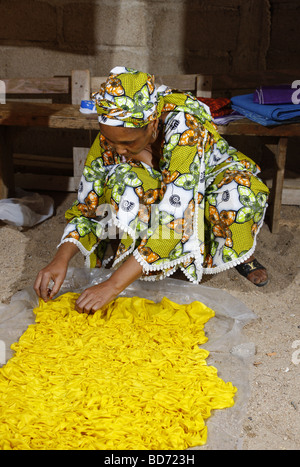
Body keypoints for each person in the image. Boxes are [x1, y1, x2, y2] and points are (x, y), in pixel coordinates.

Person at [34, 66, 269, 313]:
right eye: (111, 142)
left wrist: (112, 286)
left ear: (152, 124)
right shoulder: (113, 133)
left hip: (212, 176)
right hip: (168, 184)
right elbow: (87, 206)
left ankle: (240, 255)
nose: (118, 150)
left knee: (240, 195)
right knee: (125, 181)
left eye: (127, 143)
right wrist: (59, 260)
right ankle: (146, 260)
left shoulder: (184, 127)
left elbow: (177, 219)